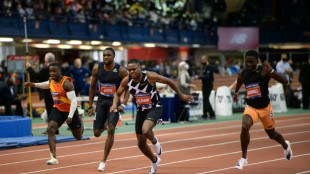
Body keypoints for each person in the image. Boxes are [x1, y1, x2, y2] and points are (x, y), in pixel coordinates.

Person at [110, 59, 194, 174]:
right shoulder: (127, 80)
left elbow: (169, 81)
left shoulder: (150, 76)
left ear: (140, 67)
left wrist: (181, 95)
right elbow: (117, 93)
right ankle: (154, 160)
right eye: (129, 70)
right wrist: (116, 104)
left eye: (134, 69)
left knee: (145, 130)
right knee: (140, 144)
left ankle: (155, 142)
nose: (132, 72)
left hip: (155, 108)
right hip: (141, 111)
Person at [233, 50, 292, 170]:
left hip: (265, 108)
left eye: (251, 62)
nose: (248, 64)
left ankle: (286, 146)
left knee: (272, 134)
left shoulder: (264, 71)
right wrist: (236, 92)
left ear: (257, 61)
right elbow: (240, 80)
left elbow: (285, 81)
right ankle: (244, 158)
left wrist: (272, 71)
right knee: (245, 126)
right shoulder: (243, 72)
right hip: (251, 107)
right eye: (246, 62)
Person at [24, 63, 84, 165]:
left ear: (59, 71)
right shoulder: (51, 80)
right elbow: (47, 85)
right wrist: (33, 84)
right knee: (50, 128)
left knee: (78, 136)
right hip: (58, 109)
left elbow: (74, 100)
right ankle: (53, 157)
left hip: (70, 110)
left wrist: (70, 116)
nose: (52, 73)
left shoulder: (66, 83)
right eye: (50, 71)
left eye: (54, 71)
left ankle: (80, 117)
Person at [87, 47, 129, 171]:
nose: (105, 57)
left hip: (114, 102)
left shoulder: (121, 71)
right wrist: (90, 105)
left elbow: (128, 88)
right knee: (97, 133)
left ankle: (103, 161)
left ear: (113, 56)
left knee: (111, 129)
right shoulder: (97, 68)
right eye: (104, 55)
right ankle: (108, 121)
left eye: (108, 55)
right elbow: (93, 86)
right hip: (101, 102)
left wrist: (124, 104)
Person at [25, 52, 56, 135]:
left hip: (49, 93)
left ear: (46, 61)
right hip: (57, 92)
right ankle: (54, 129)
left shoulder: (46, 69)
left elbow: (36, 76)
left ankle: (52, 130)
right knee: (52, 111)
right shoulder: (57, 68)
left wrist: (29, 68)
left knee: (50, 112)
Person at [196, 55, 215, 119]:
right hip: (204, 84)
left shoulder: (209, 67)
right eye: (202, 60)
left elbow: (207, 76)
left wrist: (199, 77)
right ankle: (212, 114)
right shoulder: (203, 67)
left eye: (204, 60)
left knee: (205, 99)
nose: (202, 61)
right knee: (206, 99)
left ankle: (205, 115)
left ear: (207, 60)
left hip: (208, 84)